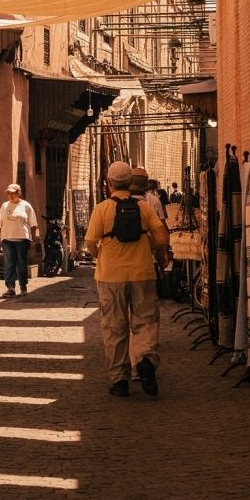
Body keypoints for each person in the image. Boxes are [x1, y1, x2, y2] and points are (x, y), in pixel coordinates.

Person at [84, 160, 171, 397]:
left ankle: (119, 380)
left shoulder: (102, 209)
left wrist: (101, 254)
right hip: (142, 273)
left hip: (110, 276)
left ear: (109, 183)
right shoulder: (144, 208)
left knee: (114, 327)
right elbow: (162, 237)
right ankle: (144, 361)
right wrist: (157, 251)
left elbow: (90, 243)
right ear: (130, 182)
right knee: (145, 322)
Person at [0, 183, 39, 297]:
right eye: (8, 193)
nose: (10, 195)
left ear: (18, 193)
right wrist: (0, 239)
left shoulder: (26, 206)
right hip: (7, 239)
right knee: (9, 263)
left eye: (13, 193)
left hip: (22, 240)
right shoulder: (4, 206)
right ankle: (10, 288)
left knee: (21, 263)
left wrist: (33, 239)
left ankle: (23, 286)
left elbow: (33, 224)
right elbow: (0, 224)